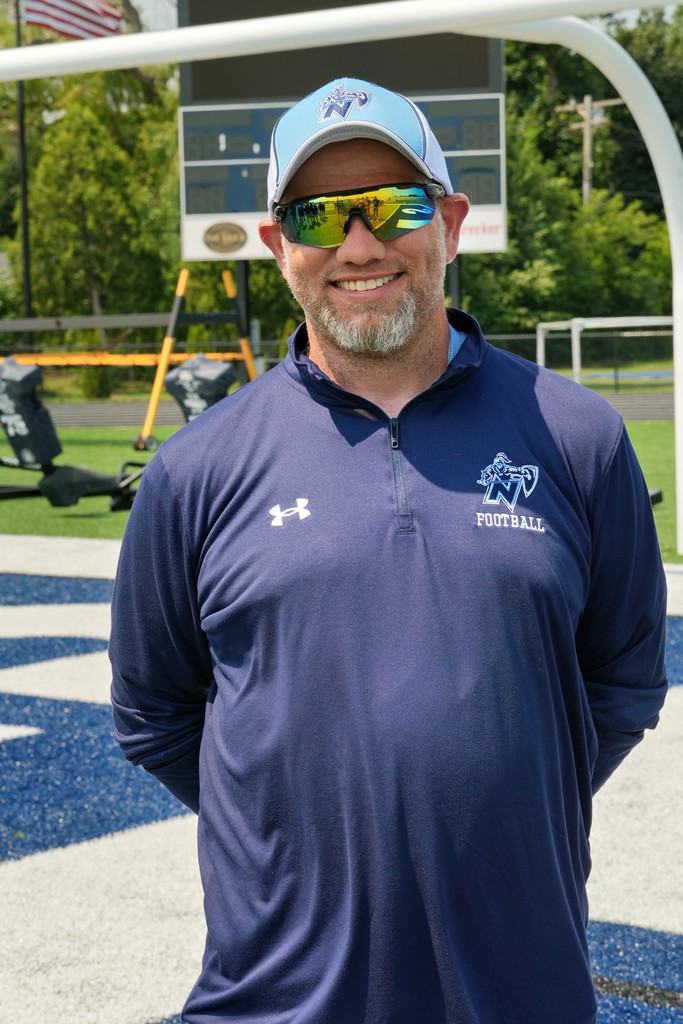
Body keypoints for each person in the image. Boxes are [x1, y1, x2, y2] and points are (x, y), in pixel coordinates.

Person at [109, 77, 668, 1024]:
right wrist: (291, 830)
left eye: (392, 205)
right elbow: (156, 714)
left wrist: (499, 810)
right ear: (278, 243)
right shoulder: (195, 469)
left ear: (449, 219)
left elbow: (619, 690)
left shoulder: (578, 439)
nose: (359, 243)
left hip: (519, 988)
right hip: (275, 998)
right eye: (321, 214)